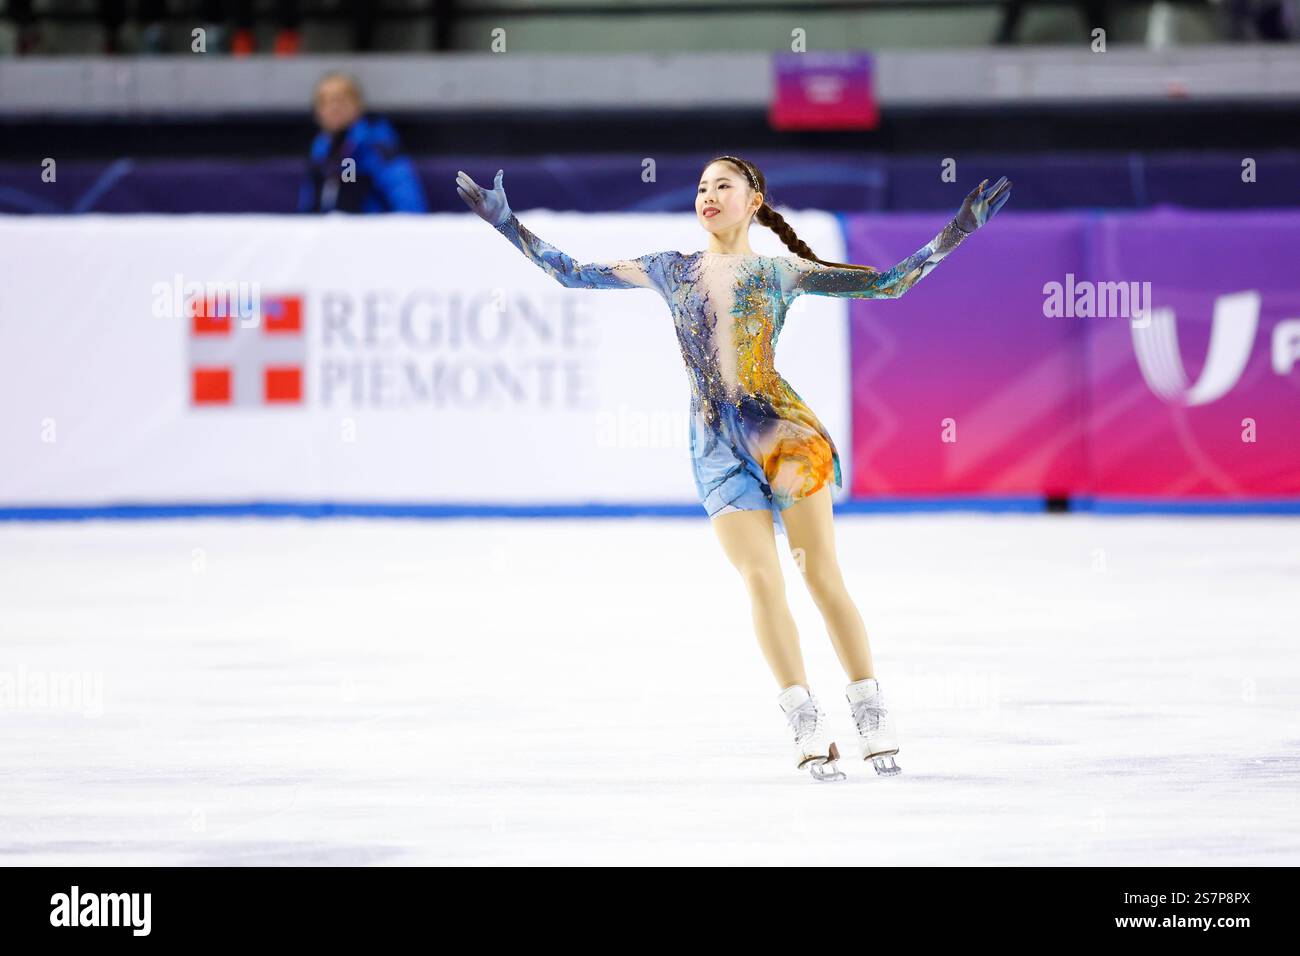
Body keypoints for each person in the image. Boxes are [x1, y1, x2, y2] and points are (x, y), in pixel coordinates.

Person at [456, 157, 1011, 782]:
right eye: (700, 187)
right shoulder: (671, 269)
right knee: (761, 579)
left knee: (820, 574)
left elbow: (888, 283)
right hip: (715, 446)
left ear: (754, 201)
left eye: (724, 185)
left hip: (784, 435)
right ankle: (804, 717)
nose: (708, 195)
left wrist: (957, 232)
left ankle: (870, 711)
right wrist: (508, 226)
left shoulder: (779, 271)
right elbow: (574, 275)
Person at [299, 73, 427, 214]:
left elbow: (410, 207)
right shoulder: (320, 149)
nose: (333, 108)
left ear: (357, 105)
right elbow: (308, 208)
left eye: (340, 100)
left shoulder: (377, 145)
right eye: (324, 101)